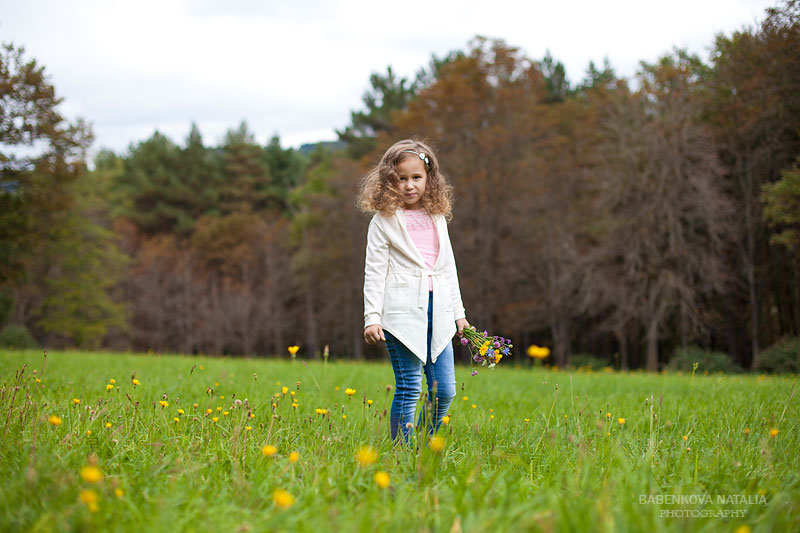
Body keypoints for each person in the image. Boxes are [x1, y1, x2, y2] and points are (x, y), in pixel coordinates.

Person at [358, 139, 469, 443]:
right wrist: (373, 317)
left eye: (416, 178)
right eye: (401, 179)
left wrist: (459, 315)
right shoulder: (383, 222)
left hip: (441, 312)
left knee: (444, 390)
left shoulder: (436, 217)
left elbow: (447, 268)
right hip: (402, 312)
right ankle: (401, 452)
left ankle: (423, 442)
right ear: (388, 181)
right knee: (410, 387)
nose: (409, 186)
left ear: (429, 178)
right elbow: (375, 272)